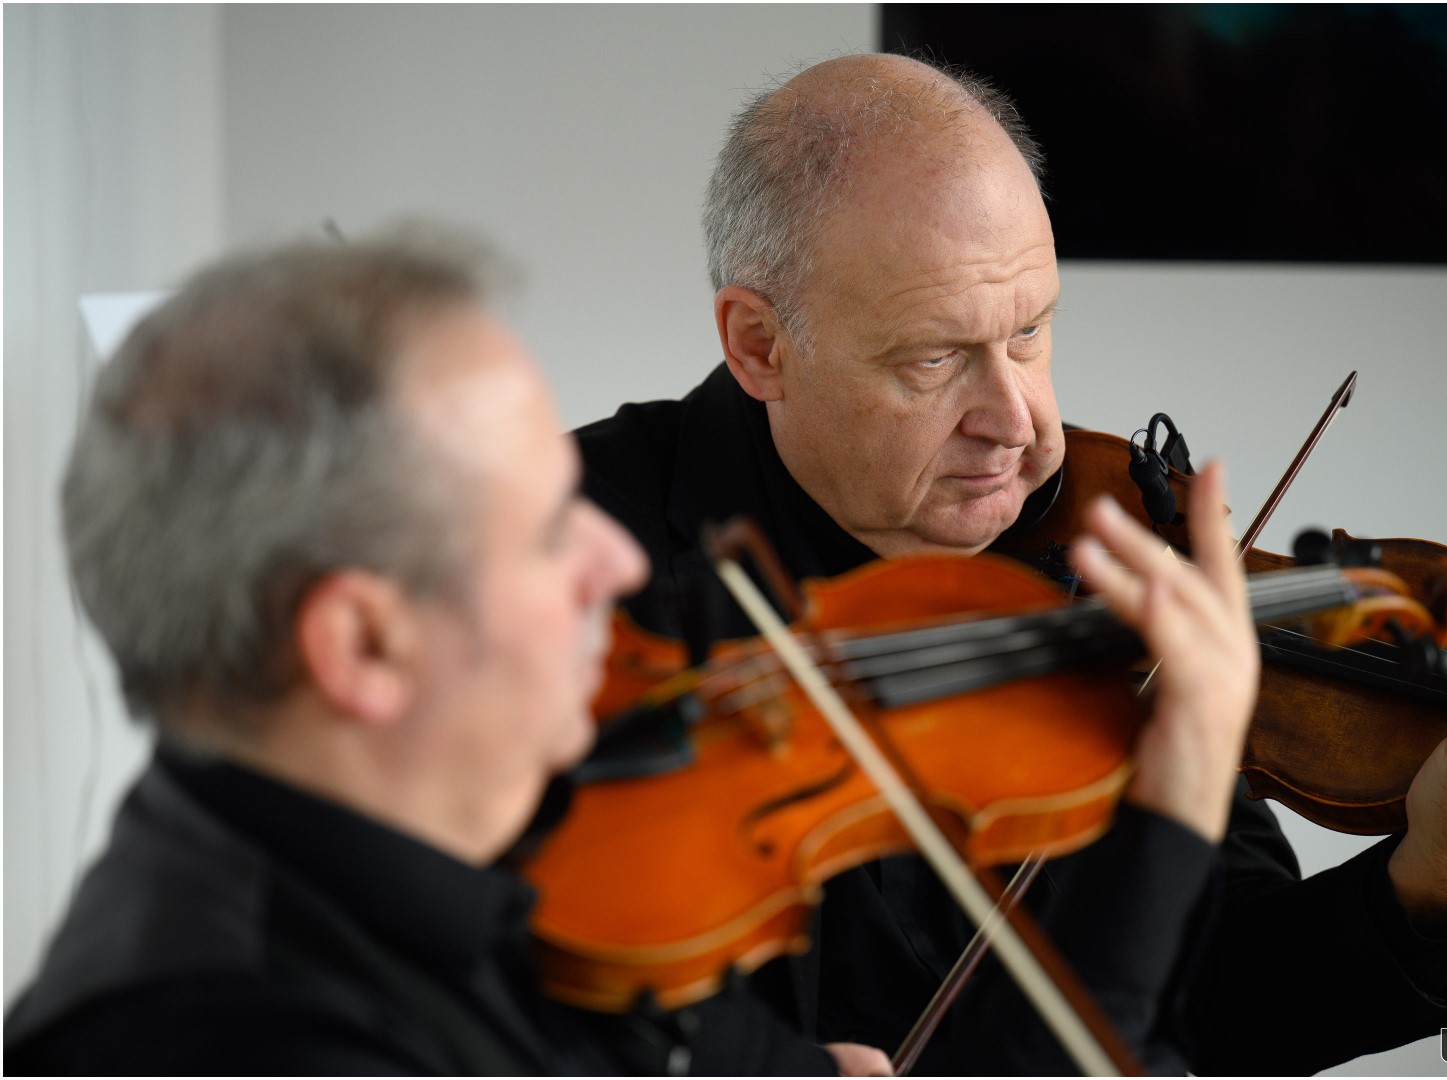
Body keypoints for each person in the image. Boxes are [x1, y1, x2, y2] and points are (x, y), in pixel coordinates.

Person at [576, 52, 1447, 1074]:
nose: (1021, 426)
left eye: (1030, 332)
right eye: (934, 357)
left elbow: (1228, 1011)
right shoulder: (564, 574)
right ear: (760, 346)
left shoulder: (1110, 561)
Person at [1, 228, 874, 1075]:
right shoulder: (242, 1045)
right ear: (364, 646)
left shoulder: (465, 850)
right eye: (549, 531)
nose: (620, 562)